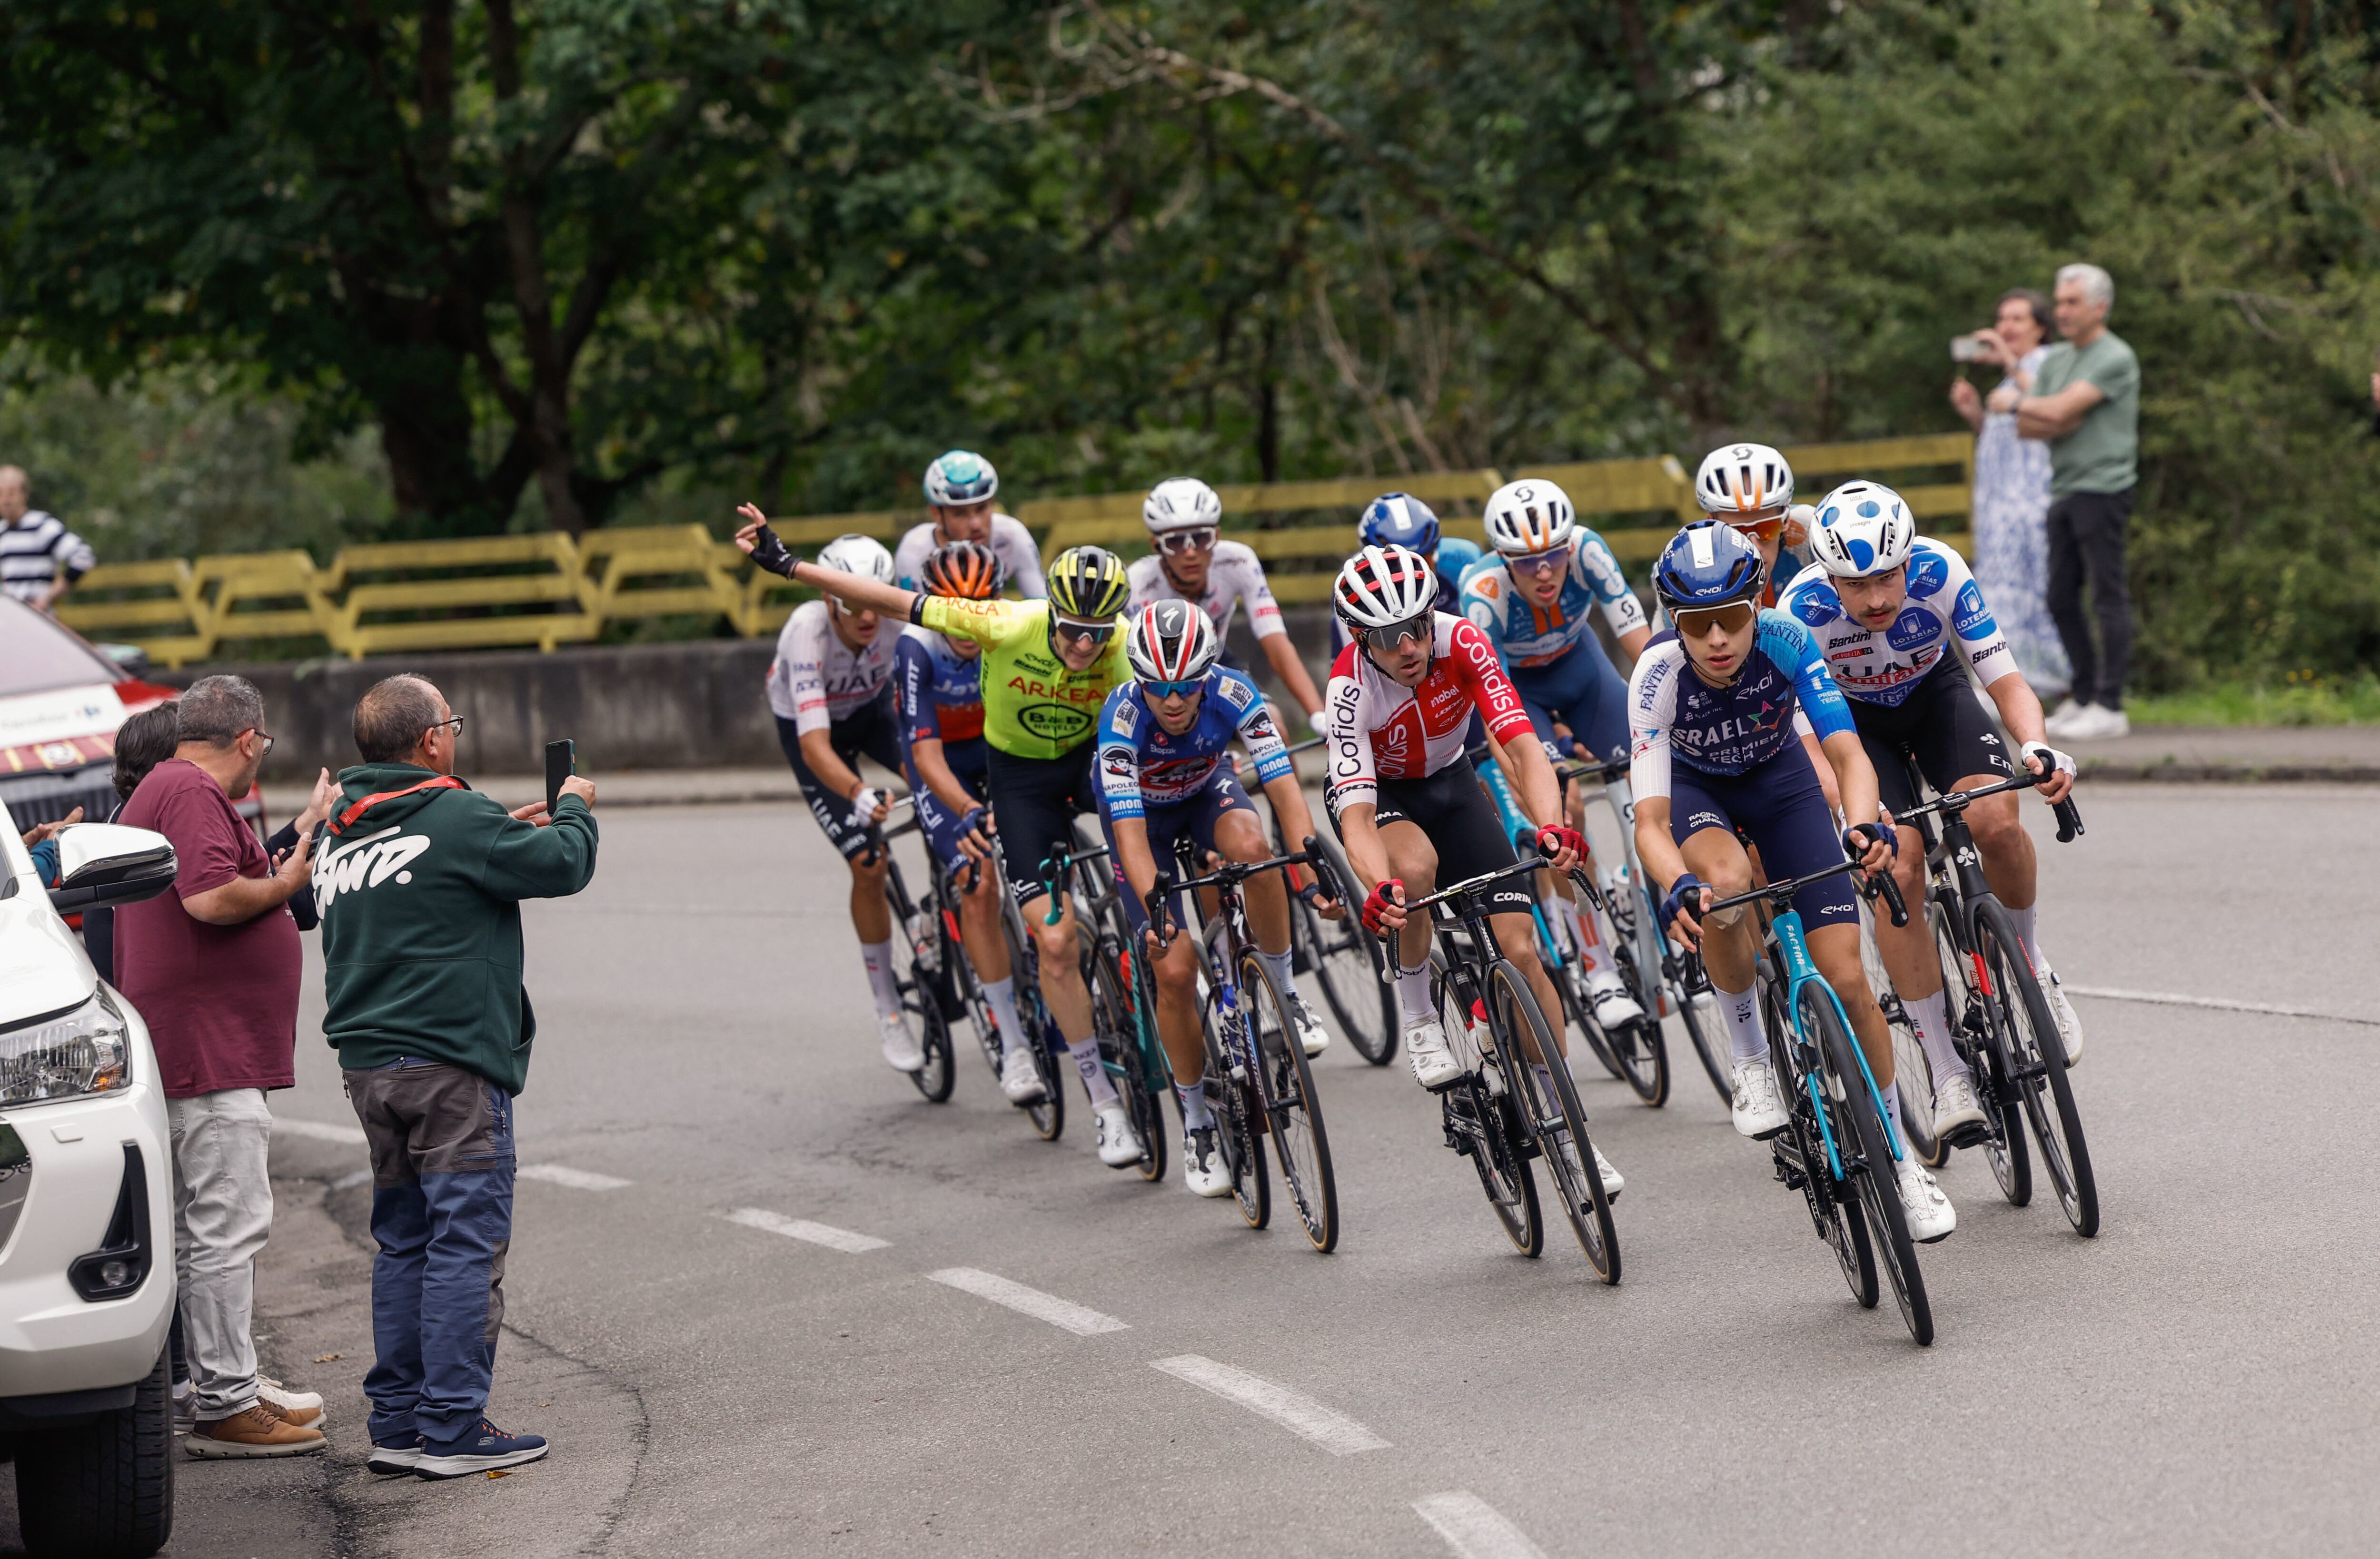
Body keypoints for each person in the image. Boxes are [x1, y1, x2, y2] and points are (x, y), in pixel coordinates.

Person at [737, 504, 1154, 1170]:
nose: (1083, 645)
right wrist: (788, 565)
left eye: (1095, 633)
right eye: (1072, 630)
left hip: (1067, 761)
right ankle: (1019, 1046)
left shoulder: (1118, 641)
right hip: (984, 770)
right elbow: (895, 620)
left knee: (1142, 832)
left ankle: (1148, 951)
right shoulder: (976, 628)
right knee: (980, 883)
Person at [1626, 523, 1954, 1243]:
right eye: (1697, 625)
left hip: (1781, 784)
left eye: (1732, 620)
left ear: (1757, 606)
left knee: (1848, 980)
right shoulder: (1655, 677)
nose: (1717, 640)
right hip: (1697, 793)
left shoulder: (1788, 640)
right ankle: (1750, 1062)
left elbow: (1848, 755)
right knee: (1726, 883)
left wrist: (1865, 826)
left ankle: (1902, 1162)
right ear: (1674, 622)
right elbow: (1649, 820)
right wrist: (1677, 881)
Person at [318, 674, 598, 1480]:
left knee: (403, 1243)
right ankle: (452, 1427)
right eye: (454, 724)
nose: (457, 736)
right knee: (464, 1244)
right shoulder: (453, 814)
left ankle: (398, 1423)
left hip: (370, 1070)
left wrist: (494, 830)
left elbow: (431, 870)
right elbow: (566, 862)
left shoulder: (343, 827)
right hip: (449, 1069)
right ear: (432, 740)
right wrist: (574, 802)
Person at [1323, 544, 1623, 1198]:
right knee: (1416, 870)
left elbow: (1520, 743)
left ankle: (1569, 1130)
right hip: (1387, 801)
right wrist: (1381, 892)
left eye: (1419, 626)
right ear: (1359, 638)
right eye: (1388, 636)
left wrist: (1548, 824)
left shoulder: (1463, 642)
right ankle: (1421, 1019)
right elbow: (1354, 818)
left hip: (1453, 783)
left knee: (1523, 950)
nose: (1410, 645)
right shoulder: (1349, 688)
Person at [1779, 481, 2086, 1106]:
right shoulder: (1799, 609)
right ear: (1827, 578)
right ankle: (1946, 1070)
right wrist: (1851, 812)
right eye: (1855, 585)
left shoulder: (1942, 569)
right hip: (1854, 729)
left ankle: (2029, 965)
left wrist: (2037, 747)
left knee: (1997, 820)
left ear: (1908, 560)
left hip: (1935, 696)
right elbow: (1814, 746)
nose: (1875, 599)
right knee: (1899, 867)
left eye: (1887, 579)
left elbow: (2005, 680)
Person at [111, 675, 328, 1457]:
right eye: (262, 746)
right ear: (248, 740)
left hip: (196, 1041)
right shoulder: (193, 792)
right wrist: (289, 881)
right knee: (226, 1225)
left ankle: (221, 1379)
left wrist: (299, 832)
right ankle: (226, 1402)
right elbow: (209, 900)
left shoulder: (169, 787)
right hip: (206, 1047)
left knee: (204, 1228)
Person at [1096, 602, 1339, 1195]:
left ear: (1206, 676)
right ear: (1139, 680)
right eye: (1159, 689)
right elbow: (1129, 837)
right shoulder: (1121, 720)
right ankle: (1198, 1126)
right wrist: (1156, 904)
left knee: (1257, 850)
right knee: (1174, 970)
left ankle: (1284, 991)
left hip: (1206, 791)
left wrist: (1308, 870)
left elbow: (1284, 788)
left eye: (1186, 688)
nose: (1174, 701)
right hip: (1140, 823)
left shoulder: (1235, 690)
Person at [1458, 477, 1653, 1028]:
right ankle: (1596, 968)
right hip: (1519, 694)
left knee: (1656, 772)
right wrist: (1521, 776)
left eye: (1551, 555)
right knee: (1565, 813)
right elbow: (1492, 709)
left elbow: (1637, 644)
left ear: (1568, 546)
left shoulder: (1589, 548)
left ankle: (1656, 897)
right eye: (1524, 562)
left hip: (1582, 671)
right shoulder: (1484, 594)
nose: (1542, 571)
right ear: (1502, 559)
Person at [893, 540, 1046, 1104]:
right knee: (978, 880)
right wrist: (966, 810)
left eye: (979, 603)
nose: (966, 619)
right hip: (939, 764)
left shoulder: (1014, 631)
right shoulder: (916, 647)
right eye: (951, 603)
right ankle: (1014, 1048)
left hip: (997, 750)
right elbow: (925, 758)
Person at [766, 533, 916, 1073]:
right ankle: (888, 1009)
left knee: (941, 792)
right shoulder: (806, 631)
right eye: (851, 602)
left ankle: (941, 911)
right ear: (829, 598)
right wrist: (857, 791)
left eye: (874, 599)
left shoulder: (893, 616)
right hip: (814, 730)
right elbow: (813, 745)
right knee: (868, 863)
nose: (866, 615)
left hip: (873, 713)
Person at [2014, 264, 2141, 740]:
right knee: (2059, 596)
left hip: (2103, 487)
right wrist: (2047, 412)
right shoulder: (2056, 359)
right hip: (2063, 486)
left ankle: (2110, 705)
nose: (2060, 311)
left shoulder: (2114, 357)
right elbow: (2036, 426)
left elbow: (2056, 413)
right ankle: (2084, 695)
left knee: (2106, 594)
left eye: (2071, 302)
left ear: (2099, 307)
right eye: (2059, 301)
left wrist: (2017, 404)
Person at [1126, 477, 1328, 733]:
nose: (1190, 552)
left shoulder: (1238, 562)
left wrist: (1317, 715)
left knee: (1272, 724)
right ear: (1157, 546)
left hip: (1216, 660)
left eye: (1201, 538)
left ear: (1217, 537)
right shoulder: (1140, 583)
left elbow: (1276, 643)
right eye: (1176, 542)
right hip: (1162, 678)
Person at [1951, 289, 2072, 701]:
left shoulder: (2047, 364)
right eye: (2003, 319)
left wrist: (2007, 359)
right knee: (1997, 591)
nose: (2007, 327)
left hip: (2029, 504)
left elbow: (2053, 406)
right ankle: (2006, 683)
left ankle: (2039, 682)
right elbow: (2010, 440)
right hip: (1998, 507)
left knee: (2031, 591)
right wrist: (1976, 416)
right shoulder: (2012, 376)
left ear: (2040, 326)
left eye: (2018, 319)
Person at [1326, 492, 1481, 656]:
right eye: (1398, 567)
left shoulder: (1463, 559)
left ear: (1436, 549)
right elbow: (1356, 662)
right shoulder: (1352, 586)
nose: (1414, 575)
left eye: (1425, 560)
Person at [891, 450, 1047, 599]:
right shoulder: (913, 551)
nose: (975, 524)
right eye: (960, 514)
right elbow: (910, 622)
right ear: (937, 514)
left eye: (982, 508)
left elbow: (1042, 604)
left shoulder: (1012, 535)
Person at [1691, 443, 1812, 604]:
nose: (1755, 548)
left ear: (1786, 519)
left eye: (1767, 529)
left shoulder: (1813, 529)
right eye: (1737, 534)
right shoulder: (1689, 563)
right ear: (1712, 525)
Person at [0, 465, 96, 612]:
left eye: (11, 493)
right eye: (1, 494)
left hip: (40, 618)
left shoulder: (42, 526)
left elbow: (83, 556)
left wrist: (48, 597)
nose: (6, 500)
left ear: (24, 494)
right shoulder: (2, 532)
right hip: (12, 620)